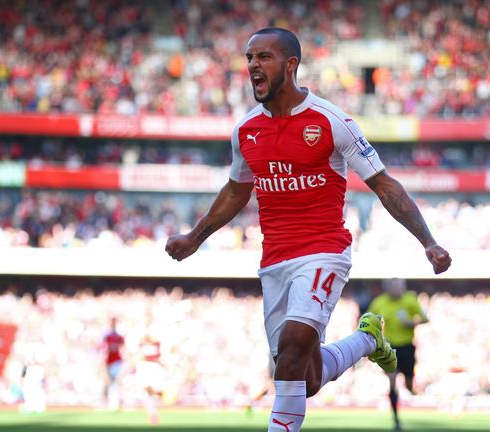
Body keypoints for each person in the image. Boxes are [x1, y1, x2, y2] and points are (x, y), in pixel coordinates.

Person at [165, 27, 451, 432]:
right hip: (274, 261)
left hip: (324, 251)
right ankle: (368, 340)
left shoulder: (333, 122)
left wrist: (429, 241)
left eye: (263, 57)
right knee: (304, 377)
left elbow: (384, 184)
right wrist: (194, 238)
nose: (252, 66)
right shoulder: (246, 131)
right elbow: (235, 190)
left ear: (291, 64)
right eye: (249, 58)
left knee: (295, 343)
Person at [367, 278, 429, 431]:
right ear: (387, 288)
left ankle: (410, 387)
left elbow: (425, 319)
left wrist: (411, 323)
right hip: (389, 348)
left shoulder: (410, 299)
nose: (398, 289)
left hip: (407, 347)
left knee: (408, 385)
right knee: (392, 381)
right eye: (395, 286)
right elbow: (368, 321)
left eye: (401, 286)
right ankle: (396, 420)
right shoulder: (379, 303)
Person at [136, 333, 164, 424]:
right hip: (145, 367)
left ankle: (154, 414)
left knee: (152, 393)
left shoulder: (155, 344)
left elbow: (156, 354)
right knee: (147, 392)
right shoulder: (143, 344)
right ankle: (153, 414)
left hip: (153, 367)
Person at [103, 317, 125, 410]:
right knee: (108, 381)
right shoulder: (107, 336)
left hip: (117, 361)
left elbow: (123, 348)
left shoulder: (119, 337)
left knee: (118, 381)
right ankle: (106, 401)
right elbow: (103, 349)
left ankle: (119, 402)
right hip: (109, 361)